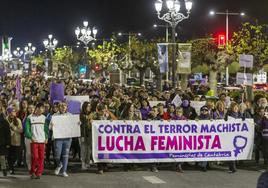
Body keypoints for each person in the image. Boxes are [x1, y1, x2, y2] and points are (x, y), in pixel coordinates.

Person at [24, 103, 48, 179]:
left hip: (42, 141)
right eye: (40, 108)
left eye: (42, 108)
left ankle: (39, 172)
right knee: (35, 157)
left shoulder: (44, 118)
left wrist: (46, 137)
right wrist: (31, 137)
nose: (41, 110)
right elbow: (27, 129)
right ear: (36, 108)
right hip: (34, 141)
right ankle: (32, 171)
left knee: (41, 157)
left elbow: (46, 129)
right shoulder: (29, 117)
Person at [51, 102, 72, 177]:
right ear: (58, 107)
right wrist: (52, 125)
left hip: (67, 138)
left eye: (64, 106)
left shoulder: (70, 115)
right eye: (61, 106)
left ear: (66, 107)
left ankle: (64, 171)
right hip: (58, 138)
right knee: (57, 155)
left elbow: (73, 125)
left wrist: (78, 123)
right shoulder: (55, 115)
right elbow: (50, 127)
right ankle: (59, 164)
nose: (62, 107)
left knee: (65, 155)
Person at [7, 106, 23, 175]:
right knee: (9, 155)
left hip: (16, 140)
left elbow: (21, 130)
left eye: (13, 112)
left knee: (15, 156)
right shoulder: (5, 120)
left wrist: (14, 129)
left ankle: (11, 165)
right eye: (10, 112)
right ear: (8, 113)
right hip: (8, 141)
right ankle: (11, 168)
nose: (12, 113)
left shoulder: (18, 120)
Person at [80, 102, 95, 170]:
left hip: (90, 134)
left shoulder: (92, 115)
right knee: (84, 149)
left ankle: (87, 162)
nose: (89, 107)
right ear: (84, 107)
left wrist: (93, 121)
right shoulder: (81, 115)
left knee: (89, 149)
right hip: (83, 134)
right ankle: (83, 163)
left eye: (90, 106)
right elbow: (82, 125)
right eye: (88, 106)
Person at [0, 107, 11, 177]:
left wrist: (8, 143)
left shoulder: (4, 121)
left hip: (2, 142)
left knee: (2, 157)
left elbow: (8, 133)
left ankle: (4, 169)